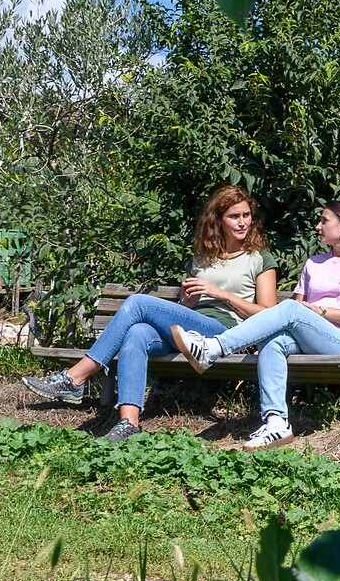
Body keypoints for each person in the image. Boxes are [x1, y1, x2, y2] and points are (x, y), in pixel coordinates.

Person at [20, 187, 279, 442]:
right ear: (218, 220)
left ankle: (75, 378)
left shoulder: (259, 259)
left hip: (224, 334)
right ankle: (128, 423)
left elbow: (267, 314)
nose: (243, 222)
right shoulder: (202, 258)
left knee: (138, 303)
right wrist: (188, 302)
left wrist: (221, 294)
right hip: (189, 332)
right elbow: (185, 306)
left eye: (246, 215)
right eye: (235, 216)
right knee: (137, 333)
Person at [172, 198, 340, 451]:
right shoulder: (313, 263)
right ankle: (276, 423)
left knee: (291, 308)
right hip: (308, 339)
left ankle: (214, 348)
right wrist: (267, 335)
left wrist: (320, 311)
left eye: (324, 220)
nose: (317, 226)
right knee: (274, 341)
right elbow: (289, 314)